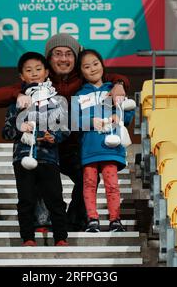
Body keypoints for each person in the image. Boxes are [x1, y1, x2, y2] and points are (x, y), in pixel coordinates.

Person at [0, 33, 131, 231]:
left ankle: (73, 221)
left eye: (68, 54)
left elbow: (115, 77)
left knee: (87, 177)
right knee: (38, 175)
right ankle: (42, 219)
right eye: (57, 54)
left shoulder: (84, 77)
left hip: (75, 148)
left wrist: (119, 85)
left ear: (76, 59)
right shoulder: (38, 82)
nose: (63, 59)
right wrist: (19, 93)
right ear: (48, 59)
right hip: (46, 147)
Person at [2, 51, 69, 246]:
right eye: (28, 70)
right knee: (26, 200)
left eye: (38, 69)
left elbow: (64, 129)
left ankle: (61, 238)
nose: (34, 73)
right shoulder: (17, 102)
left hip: (49, 158)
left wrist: (53, 136)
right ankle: (28, 238)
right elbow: (5, 131)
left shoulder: (56, 101)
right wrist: (18, 127)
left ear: (46, 72)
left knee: (55, 199)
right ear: (22, 76)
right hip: (23, 158)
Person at [73, 49, 134, 232]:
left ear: (102, 65)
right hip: (89, 149)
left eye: (95, 64)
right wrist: (90, 121)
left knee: (112, 184)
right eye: (86, 66)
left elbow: (129, 112)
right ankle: (92, 219)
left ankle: (115, 220)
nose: (92, 69)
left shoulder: (114, 88)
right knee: (89, 184)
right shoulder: (79, 95)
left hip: (111, 148)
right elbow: (74, 121)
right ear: (81, 72)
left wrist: (118, 115)